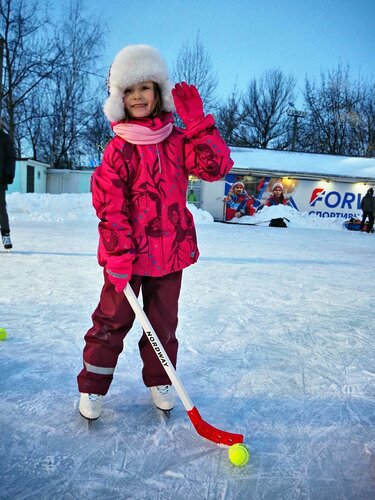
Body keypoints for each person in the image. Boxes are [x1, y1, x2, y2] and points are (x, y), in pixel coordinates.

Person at [77, 44, 234, 421]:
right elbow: (109, 206)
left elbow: (217, 168)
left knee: (163, 323)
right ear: (119, 98)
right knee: (111, 322)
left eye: (144, 88)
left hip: (171, 253)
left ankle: (160, 380)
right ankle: (93, 386)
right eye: (129, 91)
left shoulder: (179, 141)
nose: (137, 97)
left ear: (158, 92)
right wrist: (116, 255)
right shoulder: (117, 151)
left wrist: (199, 126)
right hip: (126, 258)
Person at [0, 123, 16, 250]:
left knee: (1, 209)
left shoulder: (4, 138)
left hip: (0, 180)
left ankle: (6, 236)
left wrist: (9, 175)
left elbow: (10, 157)